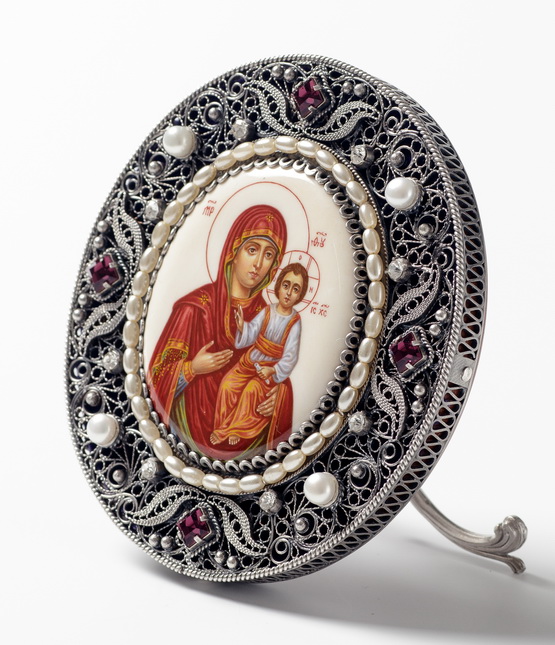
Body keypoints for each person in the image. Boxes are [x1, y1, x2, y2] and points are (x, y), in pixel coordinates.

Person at [147, 204, 290, 461]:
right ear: (234, 250)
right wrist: (191, 369)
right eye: (252, 249)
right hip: (185, 441)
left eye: (268, 255)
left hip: (249, 449)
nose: (258, 264)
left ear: (275, 265)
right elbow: (156, 377)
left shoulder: (269, 318)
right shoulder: (195, 308)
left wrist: (277, 396)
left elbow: (276, 372)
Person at [210, 263, 308, 451]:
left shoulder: (294, 322)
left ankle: (235, 430)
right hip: (249, 361)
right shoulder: (268, 310)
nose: (288, 293)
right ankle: (222, 427)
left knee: (251, 391)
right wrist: (242, 326)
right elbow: (252, 332)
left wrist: (273, 370)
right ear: (278, 286)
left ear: (300, 295)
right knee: (228, 385)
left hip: (268, 369)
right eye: (286, 285)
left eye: (296, 289)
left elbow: (290, 356)